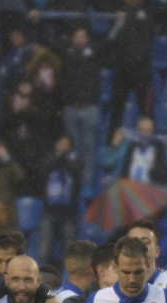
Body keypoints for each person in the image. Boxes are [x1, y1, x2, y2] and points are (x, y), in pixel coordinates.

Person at [60, 27, 101, 187]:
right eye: (76, 36)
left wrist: (118, 23)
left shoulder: (95, 53)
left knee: (88, 150)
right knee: (72, 150)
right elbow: (51, 43)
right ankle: (74, 187)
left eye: (83, 36)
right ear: (72, 38)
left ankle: (86, 187)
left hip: (89, 108)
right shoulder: (67, 54)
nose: (80, 39)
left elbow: (111, 41)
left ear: (88, 38)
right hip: (71, 108)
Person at [106, 0, 154, 133]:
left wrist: (130, 18)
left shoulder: (147, 12)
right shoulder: (119, 13)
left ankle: (152, 148)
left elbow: (149, 32)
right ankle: (113, 146)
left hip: (141, 69)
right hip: (122, 69)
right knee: (117, 111)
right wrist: (119, 22)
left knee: (147, 111)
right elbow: (110, 39)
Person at [101, 117, 167, 189]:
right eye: (141, 130)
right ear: (136, 129)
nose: (144, 134)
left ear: (153, 132)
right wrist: (114, 145)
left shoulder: (161, 149)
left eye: (148, 131)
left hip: (151, 193)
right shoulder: (127, 146)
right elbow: (107, 162)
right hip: (127, 191)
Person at [38, 135, 82, 266]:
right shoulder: (48, 159)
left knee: (69, 250)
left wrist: (65, 160)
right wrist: (57, 158)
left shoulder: (76, 160)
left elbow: (78, 174)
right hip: (49, 210)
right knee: (44, 250)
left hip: (68, 213)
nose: (63, 146)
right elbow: (41, 173)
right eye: (61, 143)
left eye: (66, 144)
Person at [126, 219, 167, 288]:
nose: (138, 246)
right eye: (133, 242)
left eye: (145, 242)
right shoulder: (114, 284)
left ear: (157, 251)